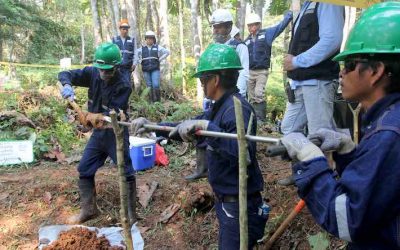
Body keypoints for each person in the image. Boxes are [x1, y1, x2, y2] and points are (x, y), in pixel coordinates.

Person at [280, 2, 400, 249]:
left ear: (376, 71)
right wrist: (349, 153)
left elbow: (347, 220)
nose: (341, 73)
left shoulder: (389, 134)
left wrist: (312, 162)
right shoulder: (386, 121)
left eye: (349, 65)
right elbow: (379, 190)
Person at [131, 44, 268, 249]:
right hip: (227, 201)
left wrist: (208, 127)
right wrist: (152, 127)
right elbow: (185, 127)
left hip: (240, 204)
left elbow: (243, 153)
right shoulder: (219, 107)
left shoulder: (237, 109)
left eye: (204, 79)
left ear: (216, 79)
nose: (202, 84)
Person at [58, 43, 136, 224]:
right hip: (98, 135)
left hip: (115, 134)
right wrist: (67, 85)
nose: (104, 74)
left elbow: (115, 115)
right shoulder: (92, 72)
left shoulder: (123, 83)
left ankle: (131, 214)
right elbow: (65, 74)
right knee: (84, 169)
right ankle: (89, 209)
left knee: (126, 172)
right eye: (101, 69)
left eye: (108, 71)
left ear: (116, 67)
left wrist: (93, 116)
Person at [278, 1, 344, 186]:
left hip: (319, 81)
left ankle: (324, 184)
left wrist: (298, 61)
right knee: (290, 129)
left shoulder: (329, 3)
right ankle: (302, 173)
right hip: (300, 82)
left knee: (321, 137)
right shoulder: (308, 5)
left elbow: (332, 39)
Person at [185, 9, 250, 181]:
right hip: (220, 97)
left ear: (228, 26)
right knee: (205, 129)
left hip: (230, 96)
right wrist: (156, 129)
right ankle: (203, 168)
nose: (215, 31)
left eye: (218, 27)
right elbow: (191, 124)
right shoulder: (215, 49)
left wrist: (236, 98)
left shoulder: (239, 46)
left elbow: (243, 73)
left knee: (214, 129)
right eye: (213, 28)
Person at [244, 11, 292, 122]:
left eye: (255, 24)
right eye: (250, 25)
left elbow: (279, 27)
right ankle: (252, 120)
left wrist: (289, 16)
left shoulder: (267, 34)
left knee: (258, 93)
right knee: (251, 97)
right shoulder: (246, 41)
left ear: (259, 24)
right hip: (250, 71)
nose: (252, 27)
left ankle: (260, 119)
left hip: (262, 71)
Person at [135, 31, 170, 103]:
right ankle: (151, 102)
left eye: (151, 38)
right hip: (145, 69)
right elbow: (134, 54)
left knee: (156, 85)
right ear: (145, 39)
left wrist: (160, 59)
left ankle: (158, 102)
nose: (149, 40)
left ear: (153, 39)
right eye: (148, 38)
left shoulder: (157, 47)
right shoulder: (142, 49)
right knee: (149, 86)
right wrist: (139, 61)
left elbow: (167, 52)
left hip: (155, 69)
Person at [112, 19, 136, 84]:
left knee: (126, 84)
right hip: (117, 67)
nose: (125, 31)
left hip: (127, 67)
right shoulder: (114, 39)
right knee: (117, 84)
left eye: (126, 29)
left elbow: (135, 52)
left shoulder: (132, 39)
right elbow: (112, 53)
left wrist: (134, 63)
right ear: (120, 29)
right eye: (123, 29)